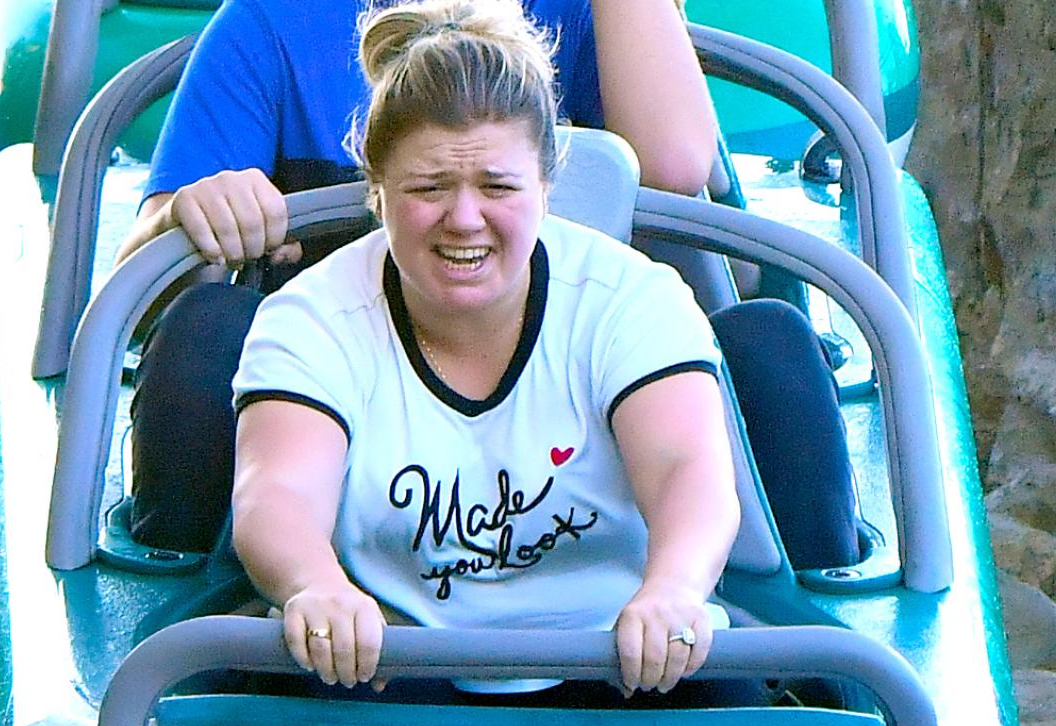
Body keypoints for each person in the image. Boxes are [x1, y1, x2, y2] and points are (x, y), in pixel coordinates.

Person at [229, 0, 739, 699]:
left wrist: (675, 590)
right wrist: (315, 586)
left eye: (497, 186)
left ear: (547, 186)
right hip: (390, 660)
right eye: (428, 188)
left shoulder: (631, 300)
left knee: (728, 695)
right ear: (375, 192)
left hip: (619, 655)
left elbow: (689, 469)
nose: (464, 218)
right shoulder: (313, 319)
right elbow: (277, 490)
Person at [122, 0, 719, 552]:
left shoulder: (592, 16)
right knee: (203, 329)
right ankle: (200, 609)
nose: (464, 218)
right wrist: (196, 213)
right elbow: (141, 293)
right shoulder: (274, 19)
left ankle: (774, 623)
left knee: (767, 341)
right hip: (331, 424)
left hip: (567, 415)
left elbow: (674, 168)